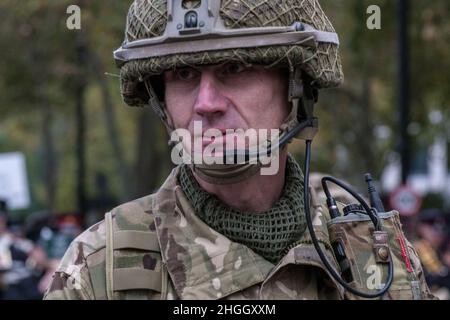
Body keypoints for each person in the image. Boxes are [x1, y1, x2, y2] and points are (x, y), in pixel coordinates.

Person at [44, 0, 434, 300]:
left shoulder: (376, 249)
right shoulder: (100, 267)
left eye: (235, 68)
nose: (206, 102)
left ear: (296, 87)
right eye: (184, 75)